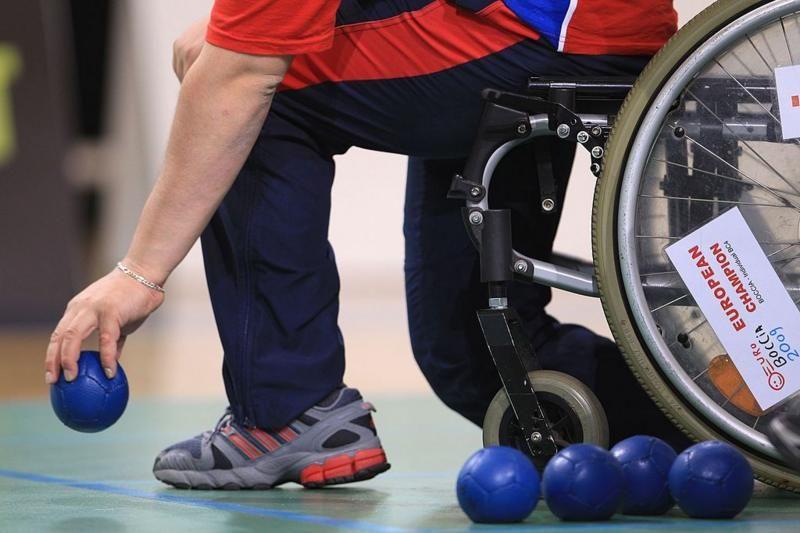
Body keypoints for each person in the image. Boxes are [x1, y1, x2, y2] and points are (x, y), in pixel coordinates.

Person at [45, 0, 682, 489]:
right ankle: (699, 420)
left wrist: (138, 274)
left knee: (261, 94)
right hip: (575, 23)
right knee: (465, 354)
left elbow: (243, 76)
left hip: (541, 27)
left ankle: (285, 409)